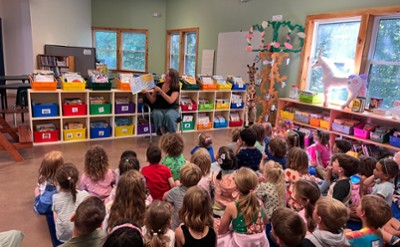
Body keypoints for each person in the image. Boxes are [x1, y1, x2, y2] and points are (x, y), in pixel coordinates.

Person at [218, 167, 268, 247]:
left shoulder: (232, 206)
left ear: (237, 187)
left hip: (240, 243)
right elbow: (265, 221)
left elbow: (222, 231)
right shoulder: (259, 203)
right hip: (260, 242)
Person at [53, 163, 90, 242]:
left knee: (55, 212)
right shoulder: (85, 194)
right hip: (83, 232)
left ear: (58, 183)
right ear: (77, 180)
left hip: (64, 235)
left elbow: (56, 211)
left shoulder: (55, 198)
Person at [164, 163, 202, 230]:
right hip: (196, 226)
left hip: (177, 227)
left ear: (181, 179)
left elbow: (165, 199)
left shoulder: (174, 192)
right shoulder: (201, 193)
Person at [142, 68, 180, 135]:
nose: (165, 76)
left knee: (169, 116)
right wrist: (146, 93)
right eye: (165, 74)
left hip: (171, 109)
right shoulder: (159, 85)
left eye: (167, 75)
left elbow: (171, 100)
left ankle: (173, 136)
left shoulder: (175, 87)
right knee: (157, 114)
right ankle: (160, 132)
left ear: (172, 78)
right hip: (158, 109)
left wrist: (161, 91)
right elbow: (152, 100)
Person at [211, 146, 239, 217]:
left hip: (217, 210)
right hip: (234, 210)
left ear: (219, 163)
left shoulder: (215, 175)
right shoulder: (238, 177)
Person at [34, 151, 64, 215]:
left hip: (43, 208)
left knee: (36, 189)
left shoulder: (42, 178)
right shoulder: (61, 179)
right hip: (57, 207)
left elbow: (40, 190)